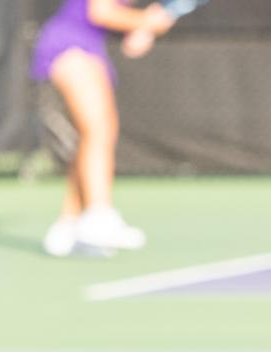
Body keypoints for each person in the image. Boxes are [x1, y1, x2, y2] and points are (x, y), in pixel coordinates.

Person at [29, 0, 177, 258]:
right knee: (99, 131)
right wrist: (145, 21)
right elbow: (100, 11)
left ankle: (69, 226)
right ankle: (99, 215)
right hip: (70, 44)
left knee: (89, 137)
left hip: (86, 44)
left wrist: (140, 28)